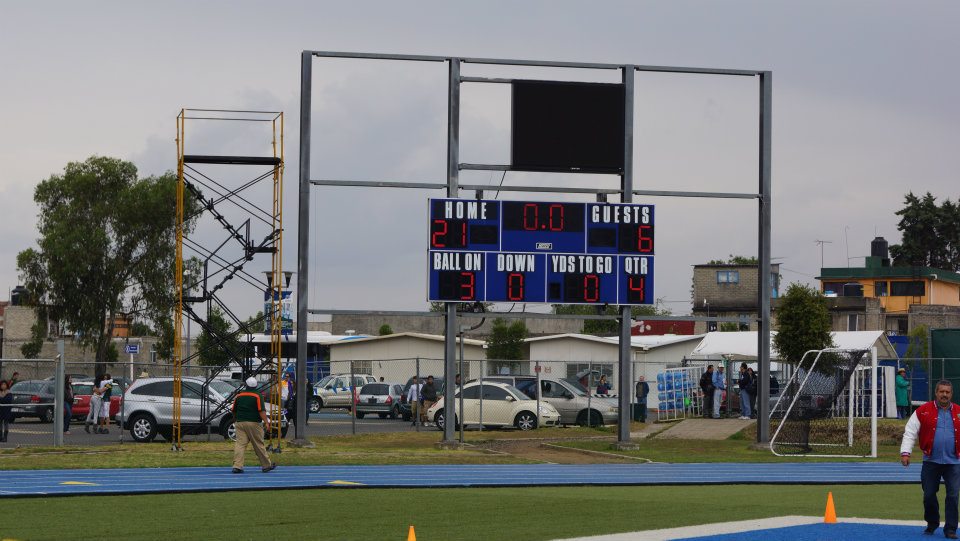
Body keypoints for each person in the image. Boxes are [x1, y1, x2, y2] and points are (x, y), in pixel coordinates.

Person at [902, 380, 960, 537]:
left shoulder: (959, 411)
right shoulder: (923, 411)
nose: (944, 394)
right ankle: (932, 522)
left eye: (947, 392)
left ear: (951, 394)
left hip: (953, 463)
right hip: (930, 461)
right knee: (928, 495)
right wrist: (905, 452)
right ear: (936, 393)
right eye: (942, 391)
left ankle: (950, 529)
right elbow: (910, 432)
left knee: (953, 496)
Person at [232, 377, 276, 474]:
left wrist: (236, 420)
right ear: (256, 386)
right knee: (258, 444)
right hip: (254, 423)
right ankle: (266, 465)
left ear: (246, 385)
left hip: (240, 422)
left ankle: (237, 466)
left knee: (240, 445)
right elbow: (261, 411)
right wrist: (266, 422)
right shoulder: (257, 396)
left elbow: (234, 410)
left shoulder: (239, 395)